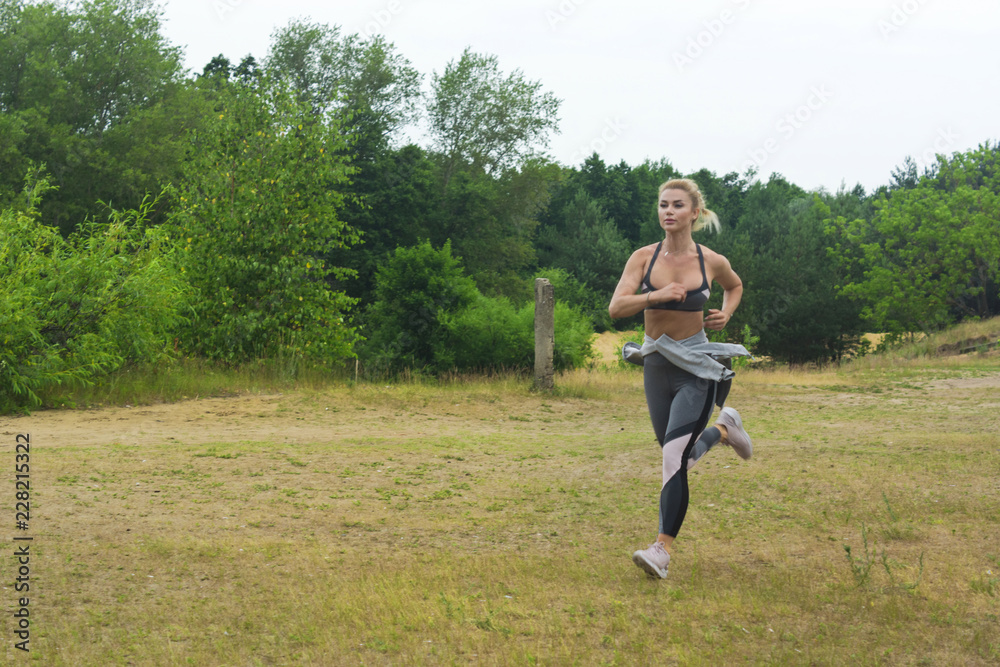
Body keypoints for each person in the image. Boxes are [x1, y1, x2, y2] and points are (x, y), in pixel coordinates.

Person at [608, 178, 753, 579]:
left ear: (694, 213)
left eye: (676, 205)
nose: (668, 211)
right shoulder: (643, 258)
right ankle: (724, 430)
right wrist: (654, 296)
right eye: (662, 205)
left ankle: (661, 550)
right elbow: (616, 307)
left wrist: (727, 312)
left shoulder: (711, 261)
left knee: (673, 458)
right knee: (679, 457)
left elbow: (735, 285)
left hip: (695, 367)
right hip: (656, 363)